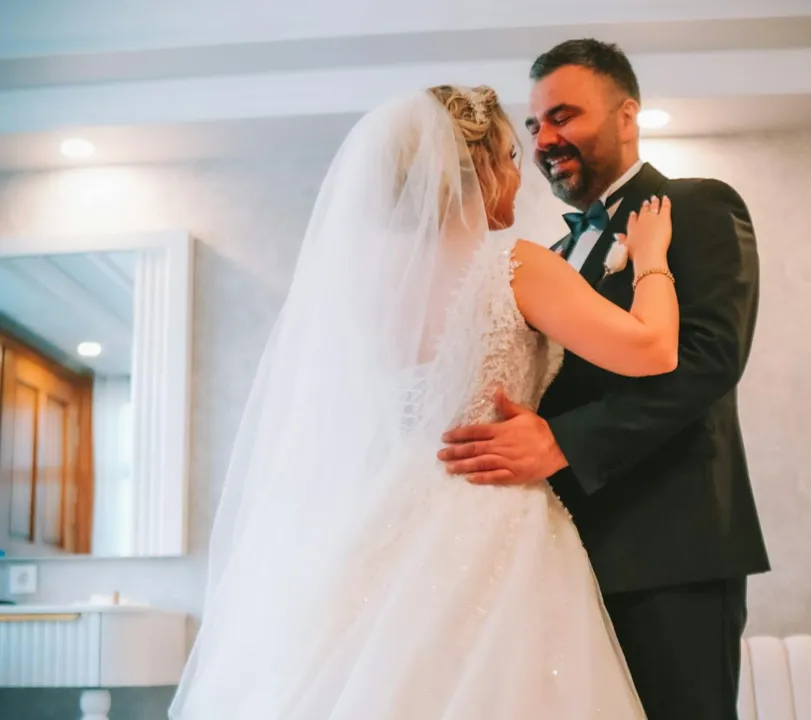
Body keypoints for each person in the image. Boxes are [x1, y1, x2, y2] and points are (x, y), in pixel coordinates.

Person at [168, 83, 678, 719]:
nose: (520, 174)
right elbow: (653, 350)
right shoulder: (513, 266)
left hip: (388, 514)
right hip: (493, 515)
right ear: (482, 166)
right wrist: (652, 258)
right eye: (511, 157)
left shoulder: (362, 286)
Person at [439, 40, 770, 719]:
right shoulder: (550, 255)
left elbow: (710, 357)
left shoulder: (698, 205)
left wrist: (562, 442)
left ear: (626, 116)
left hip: (669, 554)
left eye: (564, 116)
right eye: (534, 125)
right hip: (555, 556)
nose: (544, 139)